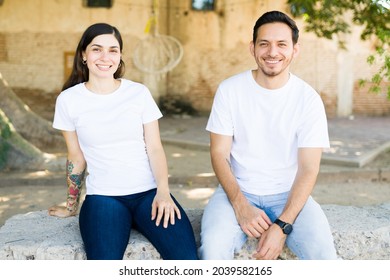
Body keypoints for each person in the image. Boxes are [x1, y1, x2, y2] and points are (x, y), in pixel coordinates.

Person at [48, 23, 198, 260]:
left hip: (149, 194)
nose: (105, 57)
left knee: (187, 261)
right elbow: (76, 157)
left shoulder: (138, 93)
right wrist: (70, 204)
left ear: (120, 57)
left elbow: (155, 148)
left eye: (113, 50)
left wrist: (164, 192)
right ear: (84, 55)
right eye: (97, 49)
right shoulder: (68, 100)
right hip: (104, 199)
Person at [199, 11, 337, 260]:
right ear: (253, 48)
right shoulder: (229, 90)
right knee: (212, 251)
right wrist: (240, 205)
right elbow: (219, 153)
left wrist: (282, 226)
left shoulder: (308, 100)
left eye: (282, 44)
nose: (272, 52)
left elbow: (308, 168)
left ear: (295, 50)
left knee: (325, 257)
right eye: (264, 44)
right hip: (236, 192)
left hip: (289, 194)